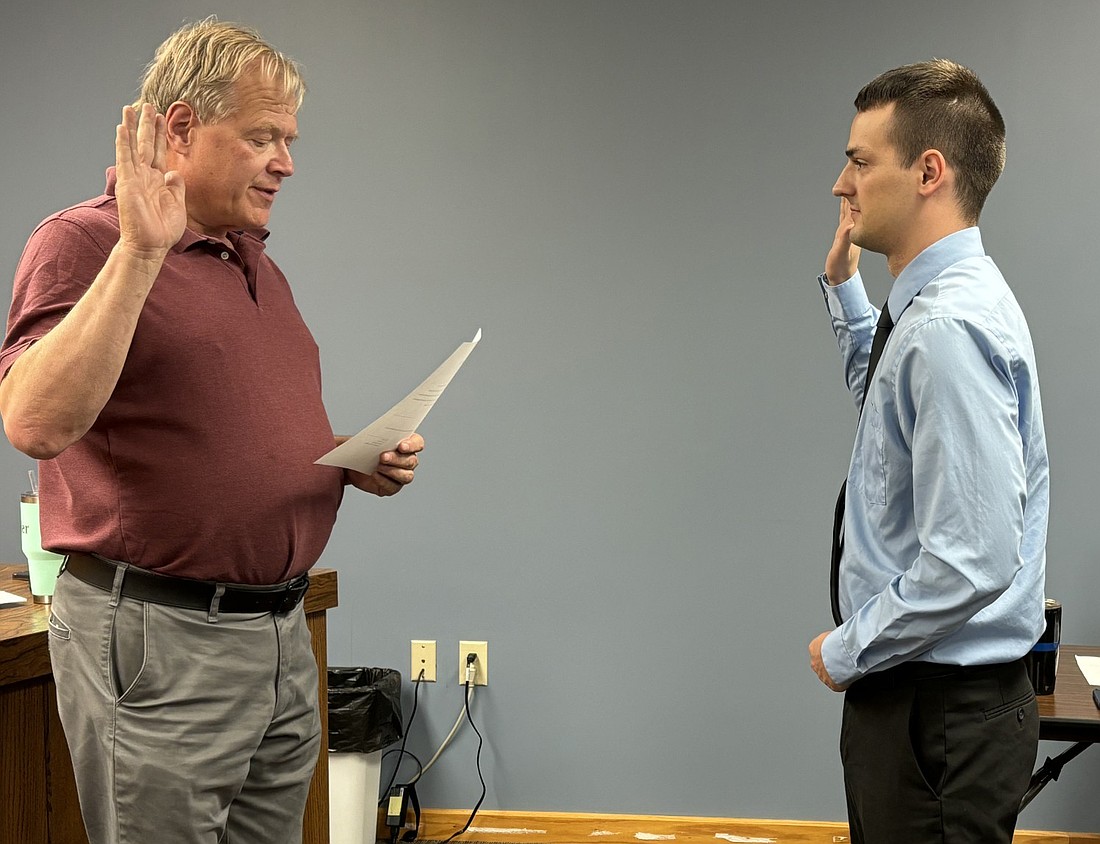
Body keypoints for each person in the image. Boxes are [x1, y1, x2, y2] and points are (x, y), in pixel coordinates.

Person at [0, 18, 423, 844]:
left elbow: (230, 438)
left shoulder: (253, 262)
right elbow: (34, 420)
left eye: (289, 139)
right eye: (263, 136)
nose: (286, 162)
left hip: (278, 635)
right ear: (182, 129)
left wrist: (347, 466)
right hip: (163, 642)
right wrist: (139, 253)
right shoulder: (83, 241)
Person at [807, 59, 1049, 843]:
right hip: (923, 705)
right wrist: (845, 290)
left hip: (938, 718)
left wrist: (846, 648)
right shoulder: (933, 313)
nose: (842, 184)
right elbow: (888, 421)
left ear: (929, 172)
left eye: (860, 160)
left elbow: (975, 558)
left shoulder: (946, 329)